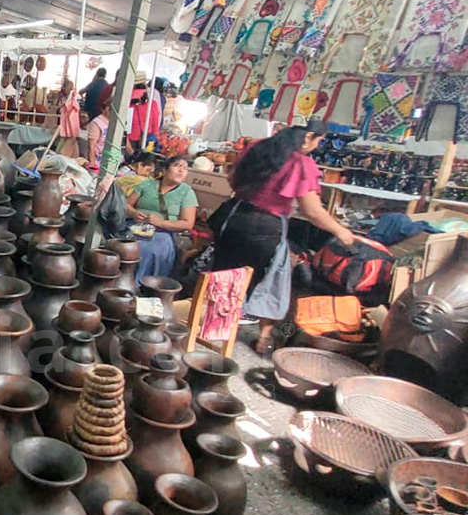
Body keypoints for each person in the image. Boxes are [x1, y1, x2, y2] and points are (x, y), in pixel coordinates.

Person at [211, 119, 356, 355]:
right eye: (318, 141)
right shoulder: (301, 163)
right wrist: (341, 231)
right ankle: (264, 336)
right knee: (272, 280)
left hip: (232, 218)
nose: (317, 147)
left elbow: (232, 178)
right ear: (309, 137)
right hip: (265, 228)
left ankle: (214, 327)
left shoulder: (257, 147)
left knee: (224, 275)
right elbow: (313, 211)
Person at [126, 155, 198, 279]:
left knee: (146, 249)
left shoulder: (187, 192)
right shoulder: (147, 184)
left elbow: (187, 223)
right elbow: (126, 205)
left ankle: (141, 283)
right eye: (177, 166)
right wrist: (134, 213)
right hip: (136, 227)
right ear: (164, 170)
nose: (181, 170)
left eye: (185, 168)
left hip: (163, 233)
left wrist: (161, 223)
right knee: (122, 244)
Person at [127, 72, 161, 155]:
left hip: (134, 139)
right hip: (144, 138)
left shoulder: (127, 103)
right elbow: (156, 126)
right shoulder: (152, 104)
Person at [85, 84, 114, 172]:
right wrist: (92, 163)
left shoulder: (114, 123)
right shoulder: (97, 123)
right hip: (98, 162)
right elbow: (92, 145)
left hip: (111, 163)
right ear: (108, 109)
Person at [57, 79, 82, 158]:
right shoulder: (64, 99)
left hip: (69, 121)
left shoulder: (72, 99)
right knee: (65, 140)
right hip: (66, 121)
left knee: (68, 140)